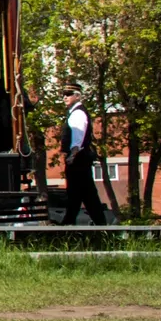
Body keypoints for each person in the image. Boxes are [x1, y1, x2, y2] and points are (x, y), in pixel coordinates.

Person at [57, 83, 107, 226]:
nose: (65, 97)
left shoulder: (78, 113)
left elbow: (78, 135)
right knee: (82, 193)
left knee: (79, 192)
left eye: (68, 94)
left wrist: (73, 154)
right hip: (80, 158)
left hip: (79, 158)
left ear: (77, 96)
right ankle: (97, 224)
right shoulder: (74, 112)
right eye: (63, 94)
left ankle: (70, 223)